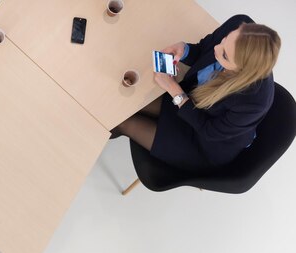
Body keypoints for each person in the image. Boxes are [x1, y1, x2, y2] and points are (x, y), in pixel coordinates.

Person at [112, 15, 281, 172]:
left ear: (241, 71)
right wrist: (184, 50)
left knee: (123, 122)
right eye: (224, 40)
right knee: (124, 103)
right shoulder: (237, 24)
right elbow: (204, 49)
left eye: (224, 55)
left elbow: (209, 131)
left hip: (204, 143)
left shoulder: (253, 102)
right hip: (191, 103)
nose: (217, 48)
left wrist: (173, 89)